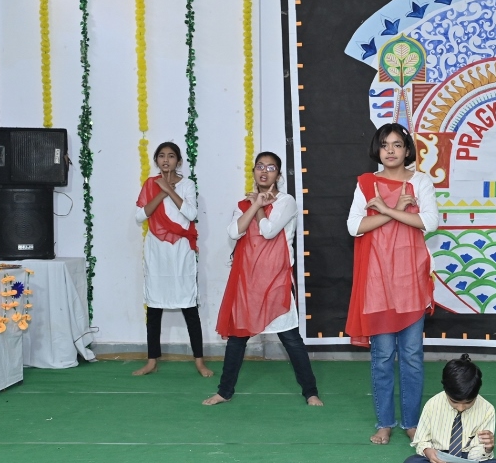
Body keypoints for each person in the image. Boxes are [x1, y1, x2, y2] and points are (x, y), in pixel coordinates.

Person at [203, 152, 322, 406]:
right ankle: (224, 392)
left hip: (276, 281)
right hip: (248, 283)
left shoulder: (286, 202)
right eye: (260, 166)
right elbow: (234, 232)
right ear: (254, 171)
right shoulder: (244, 204)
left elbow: (268, 231)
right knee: (237, 340)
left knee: (291, 340)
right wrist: (256, 204)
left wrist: (257, 206)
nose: (264, 171)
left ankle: (310, 392)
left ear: (278, 174)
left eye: (271, 167)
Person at [346, 123, 438, 445]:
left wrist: (384, 210)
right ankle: (384, 422)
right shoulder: (366, 184)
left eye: (397, 144)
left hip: (411, 280)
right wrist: (393, 210)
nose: (390, 150)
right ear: (377, 149)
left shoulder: (420, 182)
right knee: (383, 357)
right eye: (385, 144)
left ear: (407, 150)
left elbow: (429, 222)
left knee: (412, 356)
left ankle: (411, 423)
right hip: (377, 281)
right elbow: (354, 226)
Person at [133, 142, 211, 377]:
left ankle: (199, 362)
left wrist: (169, 190)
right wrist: (160, 192)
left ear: (178, 161)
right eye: (161, 156)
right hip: (157, 251)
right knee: (154, 306)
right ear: (156, 160)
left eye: (171, 156)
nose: (166, 160)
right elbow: (140, 216)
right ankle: (151, 361)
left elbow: (191, 214)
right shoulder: (150, 184)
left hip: (181, 251)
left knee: (188, 305)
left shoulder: (188, 184)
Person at [401, 354, 496, 463]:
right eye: (454, 401)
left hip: (469, 461)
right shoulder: (432, 405)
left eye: (468, 402)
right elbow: (421, 440)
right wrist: (428, 451)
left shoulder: (487, 409)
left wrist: (487, 449)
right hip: (439, 460)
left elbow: (478, 456)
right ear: (446, 390)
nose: (461, 408)